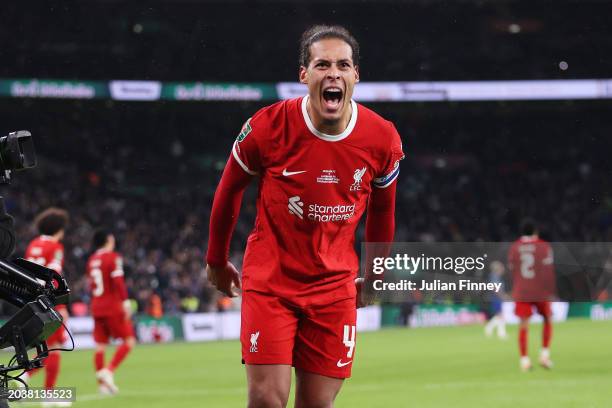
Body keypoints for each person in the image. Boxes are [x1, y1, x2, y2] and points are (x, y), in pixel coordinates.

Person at [206, 25, 403, 407]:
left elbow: (383, 209)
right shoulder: (267, 127)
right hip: (271, 281)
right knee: (266, 398)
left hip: (334, 288)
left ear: (355, 75)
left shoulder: (382, 138)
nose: (333, 73)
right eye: (322, 64)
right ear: (304, 75)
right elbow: (229, 189)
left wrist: (377, 273)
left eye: (343, 65)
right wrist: (215, 260)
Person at [23, 208, 71, 407]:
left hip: (32, 302)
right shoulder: (55, 247)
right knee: (55, 348)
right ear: (58, 228)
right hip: (49, 302)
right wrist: (62, 305)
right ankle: (46, 394)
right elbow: (55, 276)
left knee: (46, 349)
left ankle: (26, 379)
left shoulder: (33, 245)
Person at [86, 228, 135, 395]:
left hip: (96, 306)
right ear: (107, 240)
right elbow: (118, 281)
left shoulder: (92, 260)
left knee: (100, 346)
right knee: (129, 341)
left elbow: (92, 285)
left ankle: (102, 386)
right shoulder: (113, 258)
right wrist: (126, 302)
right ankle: (109, 371)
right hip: (112, 306)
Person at [508, 219, 556, 372]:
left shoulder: (515, 247)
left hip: (522, 290)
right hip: (540, 290)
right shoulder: (543, 246)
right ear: (536, 231)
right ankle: (544, 355)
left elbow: (512, 270)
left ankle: (524, 360)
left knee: (523, 325)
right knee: (547, 319)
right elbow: (548, 271)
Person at [484, 260, 508, 339]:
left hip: (497, 298)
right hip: (496, 298)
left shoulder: (496, 276)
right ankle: (500, 333)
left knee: (499, 315)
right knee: (500, 315)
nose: (503, 269)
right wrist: (502, 296)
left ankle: (491, 328)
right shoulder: (494, 276)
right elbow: (495, 288)